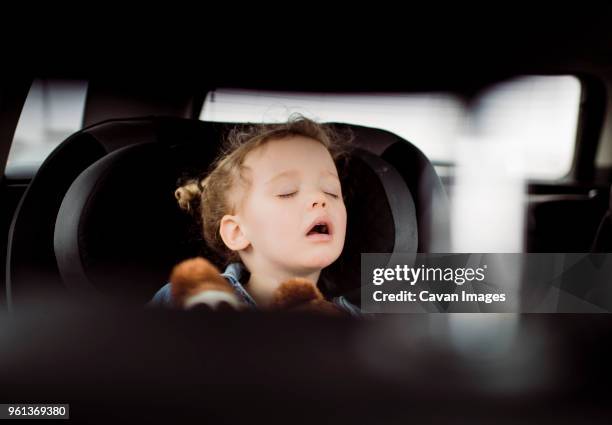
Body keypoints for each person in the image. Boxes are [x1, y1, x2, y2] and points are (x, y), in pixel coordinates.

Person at [150, 115, 361, 316]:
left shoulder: (359, 327)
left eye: (331, 191)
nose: (320, 198)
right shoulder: (187, 300)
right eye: (287, 192)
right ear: (237, 232)